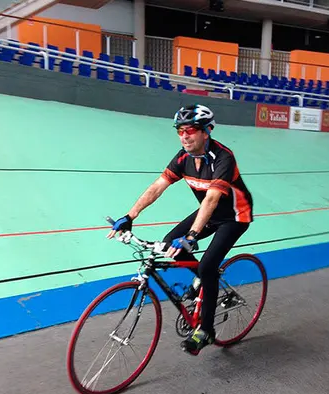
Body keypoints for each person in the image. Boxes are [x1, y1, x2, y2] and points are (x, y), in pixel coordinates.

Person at [107, 104, 253, 355]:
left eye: (191, 130)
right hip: (210, 213)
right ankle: (207, 281)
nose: (185, 135)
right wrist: (130, 215)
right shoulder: (183, 158)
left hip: (234, 216)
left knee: (206, 265)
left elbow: (211, 199)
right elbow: (156, 187)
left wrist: (192, 236)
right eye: (180, 130)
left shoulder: (223, 158)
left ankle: (206, 330)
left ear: (206, 131)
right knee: (169, 242)